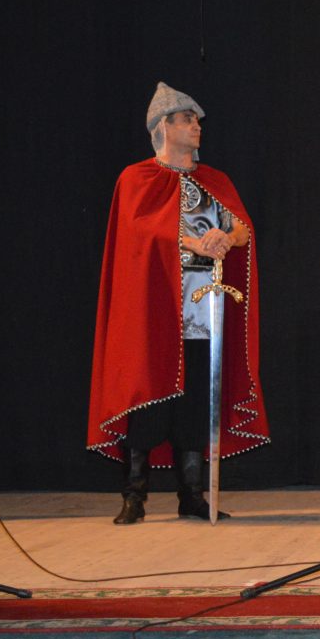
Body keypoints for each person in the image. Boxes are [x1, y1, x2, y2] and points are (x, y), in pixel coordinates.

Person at [87, 82, 270, 524]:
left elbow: (242, 227)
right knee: (147, 396)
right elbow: (140, 234)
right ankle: (134, 495)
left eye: (197, 120)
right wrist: (193, 242)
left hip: (205, 307)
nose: (196, 126)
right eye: (187, 119)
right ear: (163, 127)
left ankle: (192, 495)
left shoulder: (215, 181)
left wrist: (226, 237)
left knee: (196, 401)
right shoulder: (137, 179)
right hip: (155, 306)